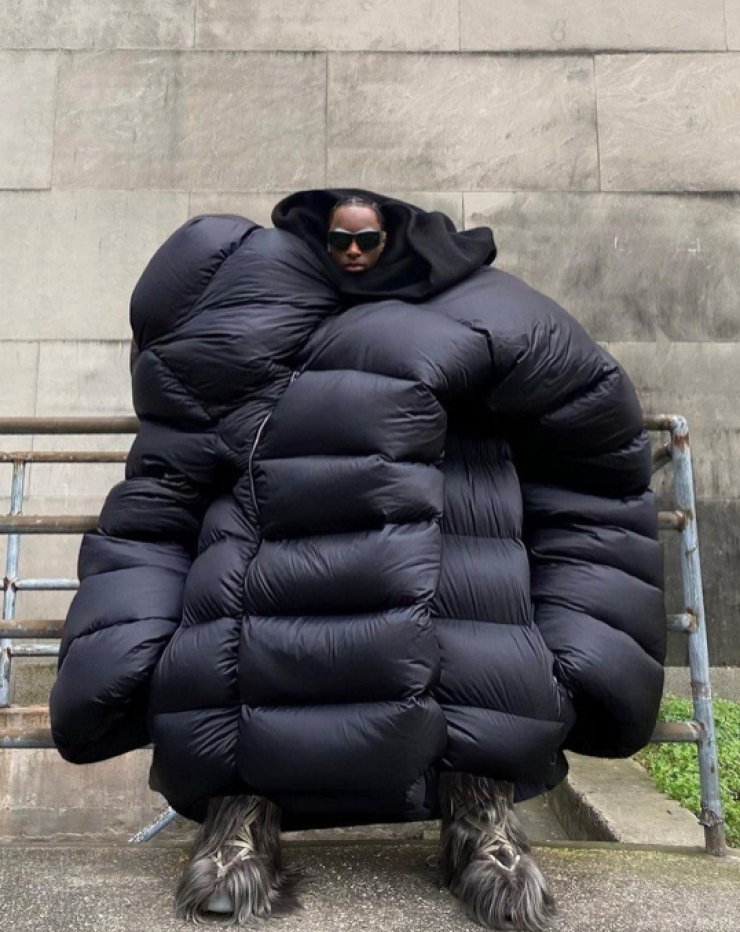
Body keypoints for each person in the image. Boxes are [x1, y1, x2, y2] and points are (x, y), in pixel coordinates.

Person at [50, 188, 665, 931]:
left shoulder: (477, 317)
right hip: (332, 603)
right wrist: (125, 658)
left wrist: (584, 654)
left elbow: (589, 475)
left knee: (447, 617)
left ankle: (465, 819)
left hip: (433, 599)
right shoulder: (221, 350)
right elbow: (157, 511)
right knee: (287, 648)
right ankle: (257, 820)